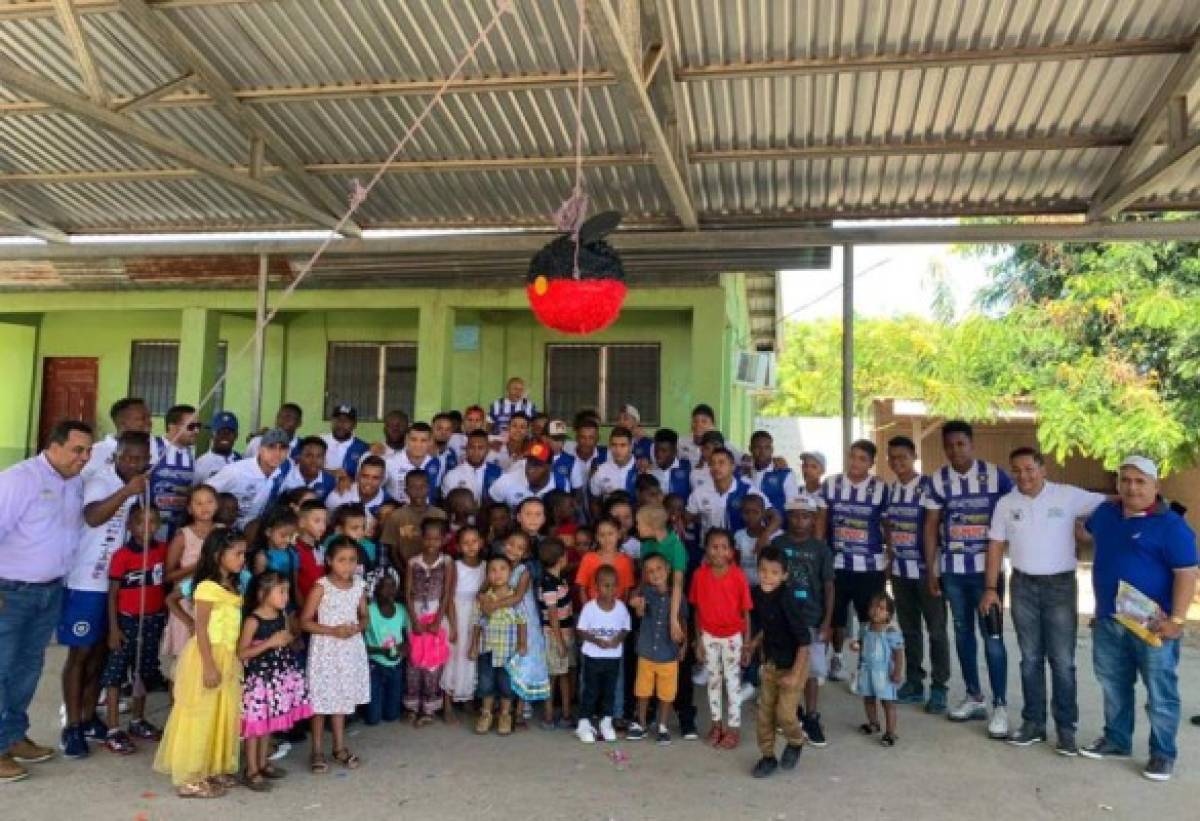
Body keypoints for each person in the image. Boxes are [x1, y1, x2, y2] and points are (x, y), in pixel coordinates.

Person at [1079, 456, 1198, 782]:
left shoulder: (1172, 526)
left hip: (1154, 625)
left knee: (1160, 691)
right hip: (1109, 619)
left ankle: (1162, 754)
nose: (1132, 487)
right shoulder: (1105, 514)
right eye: (1125, 480)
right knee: (1113, 685)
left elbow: (1186, 575)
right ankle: (1117, 740)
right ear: (1117, 484)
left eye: (1140, 481)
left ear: (1156, 486)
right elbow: (1084, 533)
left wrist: (1176, 620)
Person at [984, 447, 1106, 753]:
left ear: (1043, 469)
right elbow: (996, 546)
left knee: (1062, 661)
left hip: (1060, 588)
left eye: (1029, 469)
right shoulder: (1006, 503)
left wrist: (1089, 533)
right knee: (1030, 659)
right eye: (1017, 470)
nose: (1023, 475)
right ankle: (1033, 724)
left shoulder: (1067, 496)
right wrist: (990, 588)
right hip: (1022, 586)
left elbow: (1111, 504)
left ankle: (1066, 729)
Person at [0, 419, 92, 784]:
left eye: (87, 451)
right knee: (1, 669)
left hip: (49, 592)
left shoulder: (74, 483)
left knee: (27, 669)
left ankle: (12, 735)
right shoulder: (19, 479)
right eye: (77, 450)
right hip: (10, 593)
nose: (83, 458)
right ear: (53, 446)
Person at [57, 430, 149, 759]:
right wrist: (127, 490)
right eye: (129, 458)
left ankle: (87, 716)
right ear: (117, 456)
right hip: (85, 581)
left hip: (114, 583)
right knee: (79, 655)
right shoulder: (100, 480)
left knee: (101, 655)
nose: (134, 464)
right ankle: (71, 726)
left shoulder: (140, 485)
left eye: (141, 459)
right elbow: (93, 517)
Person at [922, 420, 1013, 736]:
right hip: (954, 573)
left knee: (993, 638)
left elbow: (1015, 511)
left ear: (971, 445)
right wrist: (932, 568)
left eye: (960, 444)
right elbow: (932, 526)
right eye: (949, 446)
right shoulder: (938, 480)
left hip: (987, 574)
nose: (955, 451)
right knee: (962, 634)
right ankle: (974, 696)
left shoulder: (995, 475)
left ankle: (1000, 705)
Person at [153, 529, 247, 798]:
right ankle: (191, 776)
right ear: (219, 555)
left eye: (243, 553)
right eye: (237, 554)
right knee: (200, 714)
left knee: (221, 712)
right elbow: (202, 629)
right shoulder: (206, 588)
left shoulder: (232, 584)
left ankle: (212, 767)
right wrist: (208, 664)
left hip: (227, 657)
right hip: (208, 656)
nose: (242, 559)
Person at [884, 435, 950, 714]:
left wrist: (935, 568)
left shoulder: (928, 487)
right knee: (909, 630)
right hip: (901, 573)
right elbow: (887, 525)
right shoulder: (890, 490)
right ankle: (914, 682)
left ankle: (939, 688)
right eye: (893, 458)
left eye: (903, 457)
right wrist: (890, 556)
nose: (898, 463)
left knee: (936, 631)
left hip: (928, 573)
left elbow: (938, 527)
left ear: (914, 458)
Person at [99, 502, 168, 754]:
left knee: (143, 670)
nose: (147, 527)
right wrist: (114, 629)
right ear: (130, 525)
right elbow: (113, 594)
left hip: (153, 619)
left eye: (153, 522)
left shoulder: (163, 550)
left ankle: (138, 720)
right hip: (127, 620)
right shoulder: (122, 556)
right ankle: (114, 728)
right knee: (116, 673)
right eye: (141, 522)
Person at [820, 439, 888, 685]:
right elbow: (822, 523)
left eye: (862, 459)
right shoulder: (831, 484)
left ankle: (863, 666)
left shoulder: (881, 489)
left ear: (871, 463)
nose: (856, 462)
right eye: (853, 456)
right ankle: (836, 658)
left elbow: (887, 525)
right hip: (838, 565)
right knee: (835, 617)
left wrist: (888, 559)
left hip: (870, 567)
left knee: (868, 619)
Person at [238, 571, 312, 790]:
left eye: (287, 591)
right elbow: (242, 653)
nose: (286, 596)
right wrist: (269, 643)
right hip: (260, 681)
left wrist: (290, 641)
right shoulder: (253, 620)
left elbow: (285, 639)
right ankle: (251, 769)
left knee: (268, 724)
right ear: (263, 594)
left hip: (278, 676)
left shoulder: (281, 616)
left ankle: (263, 763)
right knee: (255, 727)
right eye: (281, 592)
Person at [302, 537, 369, 774]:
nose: (347, 566)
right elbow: (305, 622)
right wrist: (333, 630)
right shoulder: (322, 586)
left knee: (340, 699)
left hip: (349, 649)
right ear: (329, 561)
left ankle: (339, 747)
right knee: (321, 701)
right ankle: (317, 750)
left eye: (352, 560)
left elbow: (364, 616)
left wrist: (356, 627)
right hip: (326, 650)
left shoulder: (359, 585)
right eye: (341, 560)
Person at [747, 545, 810, 778]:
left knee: (785, 714)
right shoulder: (758, 594)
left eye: (774, 572)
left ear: (785, 575)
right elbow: (768, 624)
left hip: (795, 664)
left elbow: (804, 641)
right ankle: (767, 756)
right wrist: (754, 643)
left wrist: (794, 674)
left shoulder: (788, 599)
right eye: (763, 571)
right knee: (764, 714)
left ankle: (795, 740)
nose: (767, 577)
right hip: (772, 664)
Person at [690, 527, 753, 750]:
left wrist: (747, 643)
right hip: (708, 635)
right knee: (713, 681)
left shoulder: (738, 576)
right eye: (714, 547)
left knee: (732, 683)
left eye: (724, 547)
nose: (718, 552)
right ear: (706, 550)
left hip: (733, 637)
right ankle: (717, 725)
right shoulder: (699, 575)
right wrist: (697, 640)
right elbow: (696, 610)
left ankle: (733, 728)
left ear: (731, 552)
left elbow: (746, 611)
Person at [628, 554, 686, 745]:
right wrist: (637, 604)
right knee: (642, 691)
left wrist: (684, 644)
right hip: (646, 652)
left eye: (659, 569)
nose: (655, 574)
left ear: (668, 569)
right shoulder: (645, 592)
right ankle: (642, 723)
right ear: (645, 575)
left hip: (668, 653)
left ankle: (663, 726)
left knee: (666, 694)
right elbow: (636, 605)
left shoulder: (677, 596)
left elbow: (683, 621)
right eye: (650, 571)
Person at [469, 554, 528, 736]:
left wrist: (522, 643)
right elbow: (477, 623)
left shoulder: (515, 599)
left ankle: (504, 714)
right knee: (486, 684)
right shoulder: (484, 599)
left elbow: (522, 622)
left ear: (510, 573)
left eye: (503, 569)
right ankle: (486, 713)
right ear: (487, 576)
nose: (498, 574)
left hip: (509, 651)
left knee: (506, 685)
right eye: (493, 570)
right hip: (487, 649)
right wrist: (473, 646)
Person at [404, 518, 454, 725]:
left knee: (433, 661)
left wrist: (438, 619)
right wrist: (414, 620)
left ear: (443, 539)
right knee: (414, 661)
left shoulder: (447, 562)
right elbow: (407, 593)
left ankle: (430, 708)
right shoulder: (412, 562)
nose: (431, 543)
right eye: (428, 538)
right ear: (421, 538)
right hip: (415, 612)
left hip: (436, 615)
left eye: (436, 539)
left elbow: (447, 592)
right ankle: (412, 705)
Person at [575, 565, 631, 744]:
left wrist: (617, 640)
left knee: (609, 691)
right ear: (596, 587)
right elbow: (581, 630)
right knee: (590, 691)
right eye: (606, 585)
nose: (610, 589)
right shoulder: (589, 608)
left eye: (614, 585)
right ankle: (584, 722)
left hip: (613, 658)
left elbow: (625, 628)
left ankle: (606, 722)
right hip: (592, 657)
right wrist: (595, 640)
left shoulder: (621, 607)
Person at [207, 427, 292, 530]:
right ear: (261, 449)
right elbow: (204, 491)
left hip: (253, 528)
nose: (277, 453)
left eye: (282, 448)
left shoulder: (285, 472)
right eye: (271, 447)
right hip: (223, 527)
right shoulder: (236, 471)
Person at [686, 447, 775, 544]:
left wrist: (766, 534)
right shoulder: (700, 492)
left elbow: (775, 516)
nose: (716, 467)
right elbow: (687, 517)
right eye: (712, 463)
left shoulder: (747, 490)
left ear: (732, 466)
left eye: (721, 463)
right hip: (710, 550)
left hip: (740, 549)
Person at [851, 592, 905, 747]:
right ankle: (873, 723)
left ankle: (890, 732)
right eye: (873, 607)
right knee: (868, 698)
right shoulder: (866, 627)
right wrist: (857, 646)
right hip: (867, 671)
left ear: (889, 613)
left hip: (884, 673)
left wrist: (897, 672)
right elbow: (863, 643)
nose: (876, 610)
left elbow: (898, 652)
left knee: (888, 702)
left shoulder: (890, 631)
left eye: (881, 608)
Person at [443, 526, 485, 712]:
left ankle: (467, 695)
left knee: (471, 656)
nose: (470, 546)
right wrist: (452, 625)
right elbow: (449, 597)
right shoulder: (455, 566)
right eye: (465, 543)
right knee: (453, 656)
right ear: (458, 547)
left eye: (474, 541)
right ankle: (447, 703)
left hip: (475, 616)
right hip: (458, 615)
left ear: (481, 543)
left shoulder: (485, 566)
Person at [538, 537, 575, 729]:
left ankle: (566, 714)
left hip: (564, 633)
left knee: (564, 674)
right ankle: (549, 716)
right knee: (553, 676)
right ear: (561, 558)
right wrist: (559, 641)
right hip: (555, 635)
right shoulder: (549, 583)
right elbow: (552, 615)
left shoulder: (558, 579)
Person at [364, 573, 408, 727]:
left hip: (396, 665)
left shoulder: (401, 610)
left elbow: (407, 639)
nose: (390, 590)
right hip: (375, 665)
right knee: (373, 719)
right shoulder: (368, 611)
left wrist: (402, 649)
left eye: (393, 586)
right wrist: (381, 651)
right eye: (385, 586)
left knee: (392, 716)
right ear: (375, 590)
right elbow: (360, 646)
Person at [380, 470, 447, 566]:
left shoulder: (440, 515)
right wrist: (404, 572)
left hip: (436, 568)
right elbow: (392, 551)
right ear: (406, 491)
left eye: (422, 487)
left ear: (428, 489)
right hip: (404, 568)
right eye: (413, 487)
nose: (418, 491)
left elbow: (444, 547)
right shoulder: (396, 516)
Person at [82, 398, 151, 481]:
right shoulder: (95, 452)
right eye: (142, 418)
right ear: (122, 423)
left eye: (149, 417)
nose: (149, 422)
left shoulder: (157, 448)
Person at [489, 441, 568, 509]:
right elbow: (490, 510)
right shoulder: (506, 481)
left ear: (550, 466)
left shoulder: (562, 484)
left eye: (537, 464)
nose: (531, 468)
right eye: (529, 462)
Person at [575, 517, 636, 602]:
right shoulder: (588, 558)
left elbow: (626, 591)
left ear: (618, 534)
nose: (607, 539)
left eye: (610, 534)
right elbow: (582, 588)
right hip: (593, 610)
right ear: (596, 537)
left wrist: (620, 611)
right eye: (602, 535)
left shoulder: (625, 561)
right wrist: (588, 611)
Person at [441, 429, 503, 505]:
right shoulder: (452, 475)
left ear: (487, 450)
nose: (475, 452)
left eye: (480, 448)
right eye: (471, 447)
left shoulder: (498, 473)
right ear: (466, 449)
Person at [383, 422, 441, 503]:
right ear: (406, 439)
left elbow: (435, 492)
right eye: (414, 439)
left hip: (426, 513)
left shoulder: (435, 463)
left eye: (423, 440)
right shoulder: (389, 462)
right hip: (397, 512)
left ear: (430, 441)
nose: (418, 445)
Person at [745, 430, 800, 512]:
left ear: (772, 449)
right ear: (750, 449)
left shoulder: (785, 474)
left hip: (778, 523)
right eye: (757, 447)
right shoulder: (744, 473)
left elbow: (793, 507)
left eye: (767, 447)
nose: (762, 452)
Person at [589, 426, 638, 513]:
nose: (618, 450)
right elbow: (594, 500)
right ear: (609, 446)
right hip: (610, 521)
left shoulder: (641, 468)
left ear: (631, 446)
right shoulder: (601, 470)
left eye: (623, 445)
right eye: (614, 445)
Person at [294, 501, 328, 608]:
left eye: (325, 522)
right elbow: (295, 587)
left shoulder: (322, 549)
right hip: (305, 610)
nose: (322, 527)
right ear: (302, 522)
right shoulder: (295, 551)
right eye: (317, 521)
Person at [280, 436, 336, 501]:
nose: (314, 461)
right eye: (309, 455)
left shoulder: (330, 481)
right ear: (299, 456)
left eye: (319, 456)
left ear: (324, 459)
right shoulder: (285, 472)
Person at [321, 404, 369, 479]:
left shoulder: (363, 448)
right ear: (332, 421)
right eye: (338, 419)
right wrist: (331, 472)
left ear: (355, 424)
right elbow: (307, 467)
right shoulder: (319, 441)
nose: (341, 424)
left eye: (346, 421)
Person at [193, 412, 241, 486]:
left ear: (236, 436)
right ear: (212, 434)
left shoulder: (241, 461)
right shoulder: (201, 464)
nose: (224, 436)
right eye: (219, 432)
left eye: (229, 433)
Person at [647, 428, 692, 501]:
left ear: (674, 451)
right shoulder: (650, 472)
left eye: (664, 451)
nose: (658, 454)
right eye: (656, 450)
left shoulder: (687, 468)